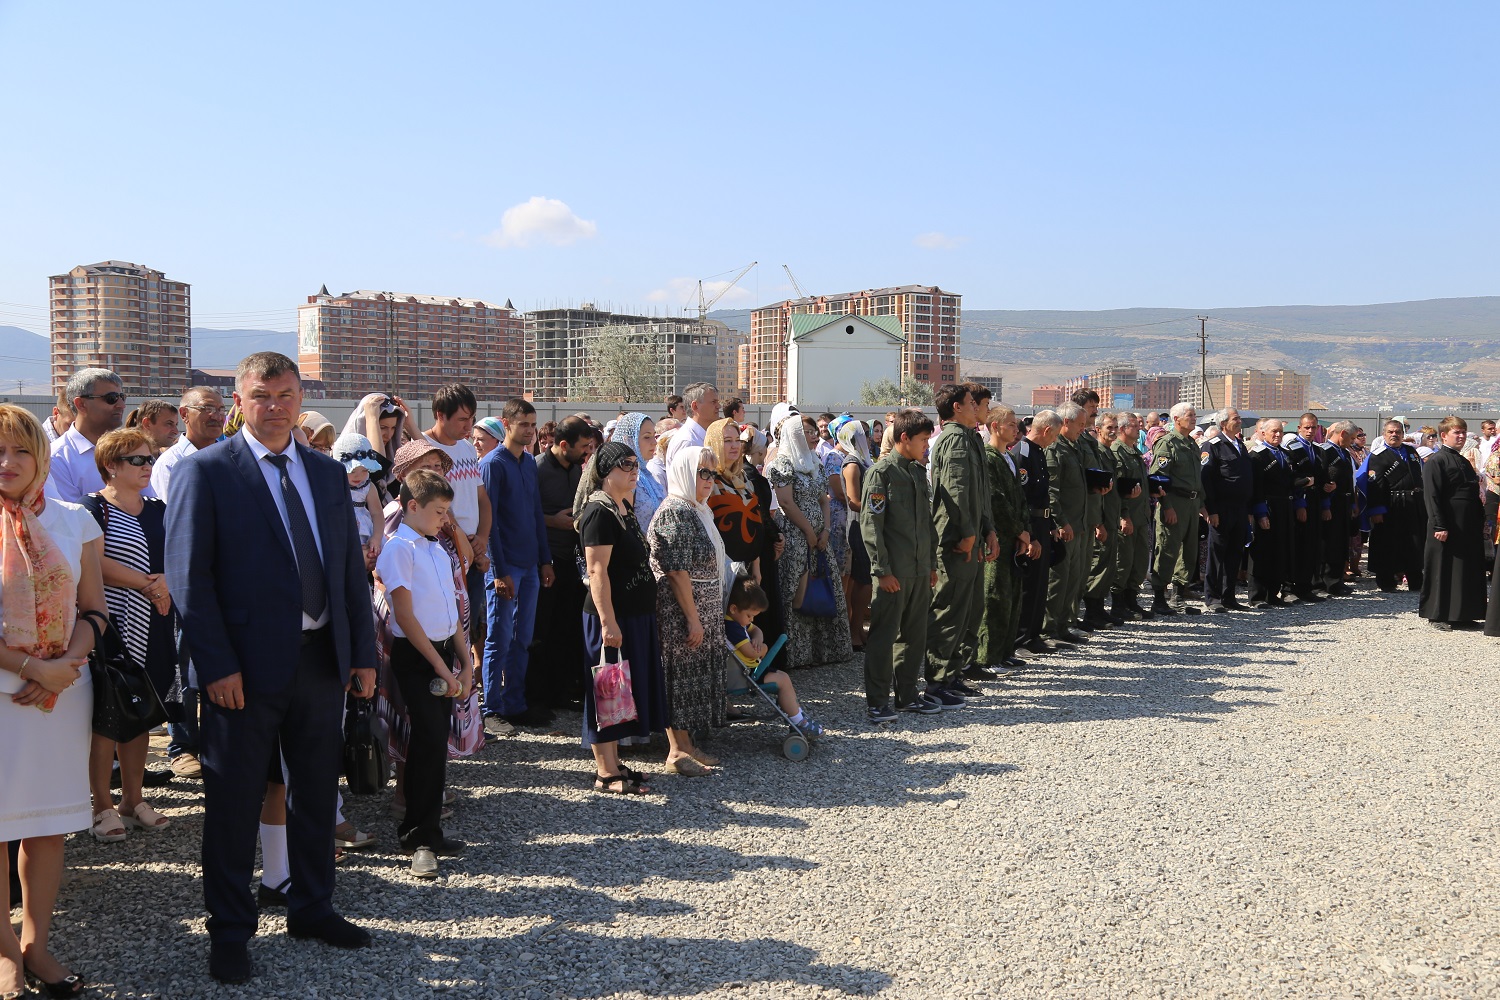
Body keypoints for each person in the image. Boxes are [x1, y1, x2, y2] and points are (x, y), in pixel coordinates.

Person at [165, 353, 378, 983]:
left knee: (315, 792)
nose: (276, 406)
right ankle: (230, 930)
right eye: (262, 394)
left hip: (320, 661)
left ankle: (312, 907)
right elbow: (189, 578)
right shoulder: (207, 471)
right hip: (242, 672)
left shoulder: (324, 472)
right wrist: (216, 665)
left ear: (301, 397)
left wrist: (362, 654)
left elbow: (347, 570)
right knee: (234, 803)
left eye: (287, 394)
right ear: (240, 400)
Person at [0, 404, 105, 1000]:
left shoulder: (74, 519)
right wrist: (31, 666)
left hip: (62, 692)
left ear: (40, 456)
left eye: (20, 450)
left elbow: (95, 611)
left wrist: (64, 667)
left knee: (45, 827)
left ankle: (36, 945)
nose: (7, 462)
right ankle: (4, 953)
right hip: (7, 691)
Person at [82, 428, 178, 844]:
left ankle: (133, 799)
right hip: (110, 626)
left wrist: (166, 582)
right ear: (111, 465)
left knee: (142, 710)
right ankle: (101, 805)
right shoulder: (90, 509)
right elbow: (92, 563)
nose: (147, 466)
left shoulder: (159, 509)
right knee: (108, 715)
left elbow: (178, 554)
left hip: (155, 622)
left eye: (149, 458)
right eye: (137, 459)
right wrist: (147, 584)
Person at [375, 470, 472, 878]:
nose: (444, 519)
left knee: (436, 743)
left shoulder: (436, 548)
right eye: (439, 511)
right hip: (418, 657)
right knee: (426, 742)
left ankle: (430, 829)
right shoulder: (400, 549)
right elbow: (405, 616)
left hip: (443, 652)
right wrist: (440, 667)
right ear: (412, 506)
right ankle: (417, 837)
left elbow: (451, 610)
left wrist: (465, 662)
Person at [577, 442, 669, 793]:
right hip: (613, 616)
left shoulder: (623, 506)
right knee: (607, 688)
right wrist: (608, 622)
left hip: (634, 615)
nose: (634, 470)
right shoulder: (598, 512)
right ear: (605, 471)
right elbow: (596, 571)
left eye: (635, 464)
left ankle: (614, 762)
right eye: (625, 465)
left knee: (623, 691)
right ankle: (605, 773)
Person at [647, 446, 728, 775]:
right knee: (678, 680)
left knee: (690, 678)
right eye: (702, 472)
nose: (709, 480)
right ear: (684, 473)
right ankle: (676, 751)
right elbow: (677, 571)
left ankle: (687, 746)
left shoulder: (697, 509)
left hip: (701, 607)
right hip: (681, 611)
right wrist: (693, 619)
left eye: (712, 473)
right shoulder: (675, 512)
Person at [479, 399, 555, 731]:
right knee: (498, 637)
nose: (530, 430)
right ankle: (491, 707)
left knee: (523, 638)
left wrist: (545, 559)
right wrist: (499, 572)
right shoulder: (493, 464)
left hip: (530, 565)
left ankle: (515, 702)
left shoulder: (528, 463)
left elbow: (536, 513)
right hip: (505, 565)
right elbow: (489, 522)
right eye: (524, 424)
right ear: (506, 424)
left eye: (533, 424)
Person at [860, 409, 940, 722]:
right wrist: (882, 571)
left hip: (918, 570)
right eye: (923, 440)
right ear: (904, 438)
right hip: (894, 573)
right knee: (884, 637)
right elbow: (872, 526)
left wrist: (931, 564)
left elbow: (927, 524)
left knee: (914, 636)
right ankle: (878, 702)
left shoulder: (917, 472)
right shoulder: (881, 474)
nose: (926, 445)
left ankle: (907, 696)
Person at [927, 384, 996, 706]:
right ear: (957, 407)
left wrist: (988, 530)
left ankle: (953, 674)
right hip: (955, 538)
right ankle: (937, 681)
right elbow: (955, 491)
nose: (977, 407)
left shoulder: (969, 438)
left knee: (966, 609)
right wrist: (968, 533)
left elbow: (979, 492)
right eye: (971, 403)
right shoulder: (954, 439)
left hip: (971, 535)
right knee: (949, 609)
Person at [767, 413, 851, 669]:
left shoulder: (814, 461)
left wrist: (825, 530)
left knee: (823, 588)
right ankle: (794, 655)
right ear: (794, 435)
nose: (815, 436)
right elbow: (786, 502)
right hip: (795, 538)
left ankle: (821, 652)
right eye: (808, 432)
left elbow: (824, 499)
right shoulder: (782, 463)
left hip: (819, 539)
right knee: (796, 593)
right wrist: (808, 532)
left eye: (815, 431)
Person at [531, 416, 593, 713]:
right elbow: (526, 513)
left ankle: (564, 690)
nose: (587, 452)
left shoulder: (578, 470)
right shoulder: (537, 469)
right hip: (546, 561)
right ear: (564, 444)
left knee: (567, 629)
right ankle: (540, 696)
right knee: (543, 629)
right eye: (583, 447)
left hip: (572, 561)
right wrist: (551, 521)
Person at [724, 577, 823, 737]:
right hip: (745, 675)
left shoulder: (737, 621)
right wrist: (764, 648)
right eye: (749, 616)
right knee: (783, 680)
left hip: (748, 670)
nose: (751, 620)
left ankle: (796, 713)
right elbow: (752, 653)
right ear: (734, 608)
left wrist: (757, 639)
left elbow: (756, 630)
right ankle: (798, 721)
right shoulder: (732, 627)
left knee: (783, 678)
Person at [976, 405, 1032, 674]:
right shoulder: (988, 458)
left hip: (1015, 537)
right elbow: (996, 500)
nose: (1015, 429)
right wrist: (1018, 530)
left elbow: (1020, 499)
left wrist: (1025, 532)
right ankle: (988, 656)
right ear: (995, 427)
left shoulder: (1007, 457)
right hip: (998, 537)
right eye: (1010, 424)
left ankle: (1005, 651)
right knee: (995, 597)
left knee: (1012, 597)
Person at [1419, 416, 1486, 630]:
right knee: (1443, 568)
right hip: (1447, 523)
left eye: (1463, 432)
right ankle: (1438, 615)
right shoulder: (1437, 461)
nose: (1461, 436)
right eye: (1456, 432)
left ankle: (1463, 613)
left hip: (1466, 524)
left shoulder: (1463, 460)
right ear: (1444, 435)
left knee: (1464, 568)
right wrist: (1439, 525)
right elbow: (1432, 496)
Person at [1149, 402, 1206, 615]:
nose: (1194, 419)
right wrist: (1167, 507)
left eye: (1194, 415)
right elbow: (1158, 479)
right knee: (1167, 549)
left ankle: (1178, 597)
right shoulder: (1168, 443)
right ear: (1176, 419)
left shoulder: (1191, 444)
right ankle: (1158, 599)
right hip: (1174, 502)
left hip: (1191, 504)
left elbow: (1197, 478)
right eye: (1190, 415)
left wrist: (1202, 505)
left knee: (1188, 551)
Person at [1199, 407, 1254, 612]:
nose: (1239, 421)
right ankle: (1213, 597)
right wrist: (1211, 509)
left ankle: (1228, 596)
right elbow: (1206, 478)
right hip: (1221, 508)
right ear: (1223, 423)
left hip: (1240, 508)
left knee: (1234, 552)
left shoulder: (1240, 445)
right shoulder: (1213, 445)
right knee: (1217, 553)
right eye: (1235, 418)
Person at [46, 367, 129, 504]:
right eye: (112, 398)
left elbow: (150, 505)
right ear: (81, 404)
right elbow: (73, 514)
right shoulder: (56, 459)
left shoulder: (131, 451)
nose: (121, 405)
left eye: (122, 397)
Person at [1014, 410, 1060, 654]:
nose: (1055, 440)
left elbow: (1043, 494)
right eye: (1054, 435)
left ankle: (1033, 634)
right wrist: (1029, 535)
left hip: (1042, 523)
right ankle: (1021, 639)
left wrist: (1050, 526)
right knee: (1029, 584)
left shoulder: (1038, 452)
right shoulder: (1022, 453)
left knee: (1041, 582)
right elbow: (1022, 497)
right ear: (1047, 430)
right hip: (1030, 524)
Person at [1044, 403, 1090, 641]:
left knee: (1072, 579)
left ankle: (1063, 626)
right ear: (1066, 422)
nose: (1083, 429)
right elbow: (1052, 491)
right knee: (1058, 580)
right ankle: (1048, 629)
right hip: (1065, 526)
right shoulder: (1055, 450)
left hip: (1078, 524)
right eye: (1080, 424)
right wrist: (1061, 522)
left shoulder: (1073, 448)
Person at [1365, 419, 1426, 593]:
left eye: (1398, 432)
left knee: (1414, 543)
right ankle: (1386, 581)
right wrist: (1376, 510)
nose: (1394, 435)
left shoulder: (1411, 451)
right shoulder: (1378, 455)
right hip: (1390, 505)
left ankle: (1415, 581)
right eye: (1390, 432)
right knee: (1387, 543)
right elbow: (1374, 484)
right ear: (1384, 434)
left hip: (1412, 504)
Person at [739, 425, 786, 645]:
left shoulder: (748, 474)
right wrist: (777, 536)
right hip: (760, 545)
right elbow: (760, 514)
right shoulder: (751, 478)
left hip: (761, 541)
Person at [1246, 419, 1300, 607]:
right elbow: (1256, 487)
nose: (1278, 435)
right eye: (1274, 431)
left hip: (1284, 506)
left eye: (1280, 432)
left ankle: (1272, 592)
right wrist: (1261, 513)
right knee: (1262, 551)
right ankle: (1257, 596)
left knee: (1280, 550)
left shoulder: (1285, 454)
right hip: (1267, 506)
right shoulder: (1257, 455)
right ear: (1263, 433)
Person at [1080, 403, 1122, 628]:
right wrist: (1098, 523)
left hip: (1111, 516)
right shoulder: (1097, 453)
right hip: (1101, 517)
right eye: (1109, 427)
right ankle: (1091, 612)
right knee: (1098, 566)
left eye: (1115, 427)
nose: (1113, 431)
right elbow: (1095, 493)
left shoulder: (1108, 453)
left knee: (1108, 566)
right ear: (1098, 429)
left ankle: (1099, 609)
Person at [835, 419, 874, 652]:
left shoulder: (862, 460)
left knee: (864, 580)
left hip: (865, 525)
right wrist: (881, 507)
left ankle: (858, 630)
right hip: (858, 526)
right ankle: (854, 632)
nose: (868, 438)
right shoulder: (852, 464)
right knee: (863, 580)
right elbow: (854, 501)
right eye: (864, 434)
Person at [152, 387, 226, 503]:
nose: (217, 417)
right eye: (208, 409)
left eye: (221, 410)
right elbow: (168, 511)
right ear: (184, 414)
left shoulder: (230, 459)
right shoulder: (170, 463)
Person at [1282, 412, 1328, 602]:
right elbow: (1292, 478)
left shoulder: (1318, 450)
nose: (1310, 431)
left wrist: (1326, 499)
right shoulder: (1292, 449)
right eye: (1307, 427)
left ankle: (1305, 586)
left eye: (1313, 427)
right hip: (1299, 501)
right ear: (1299, 428)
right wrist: (1300, 504)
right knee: (1296, 545)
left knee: (1311, 545)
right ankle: (1288, 588)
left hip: (1315, 500)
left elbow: (1322, 477)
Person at [1110, 412, 1151, 620]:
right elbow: (1118, 488)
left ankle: (1131, 600)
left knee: (1140, 560)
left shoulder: (1134, 451)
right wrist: (1123, 515)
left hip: (1141, 514)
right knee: (1123, 560)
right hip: (1128, 515)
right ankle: (1118, 603)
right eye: (1134, 426)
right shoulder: (1117, 452)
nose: (1139, 428)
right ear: (1123, 428)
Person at [330, 433, 388, 567]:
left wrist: (376, 537)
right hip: (341, 537)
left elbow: (377, 514)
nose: (359, 476)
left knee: (376, 560)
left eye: (364, 470)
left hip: (366, 536)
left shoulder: (368, 486)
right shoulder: (333, 485)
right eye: (352, 471)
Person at [1317, 421, 1359, 595]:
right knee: (1329, 543)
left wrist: (1353, 504)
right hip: (1332, 504)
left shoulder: (1345, 452)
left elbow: (1349, 480)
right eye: (1352, 438)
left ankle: (1337, 578)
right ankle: (1326, 581)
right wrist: (1325, 505)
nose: (1353, 442)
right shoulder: (1325, 451)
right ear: (1342, 434)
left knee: (1341, 542)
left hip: (1344, 503)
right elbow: (1324, 479)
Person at [664, 382, 720, 466]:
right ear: (695, 406)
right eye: (713, 402)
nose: (719, 406)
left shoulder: (700, 437)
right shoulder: (688, 442)